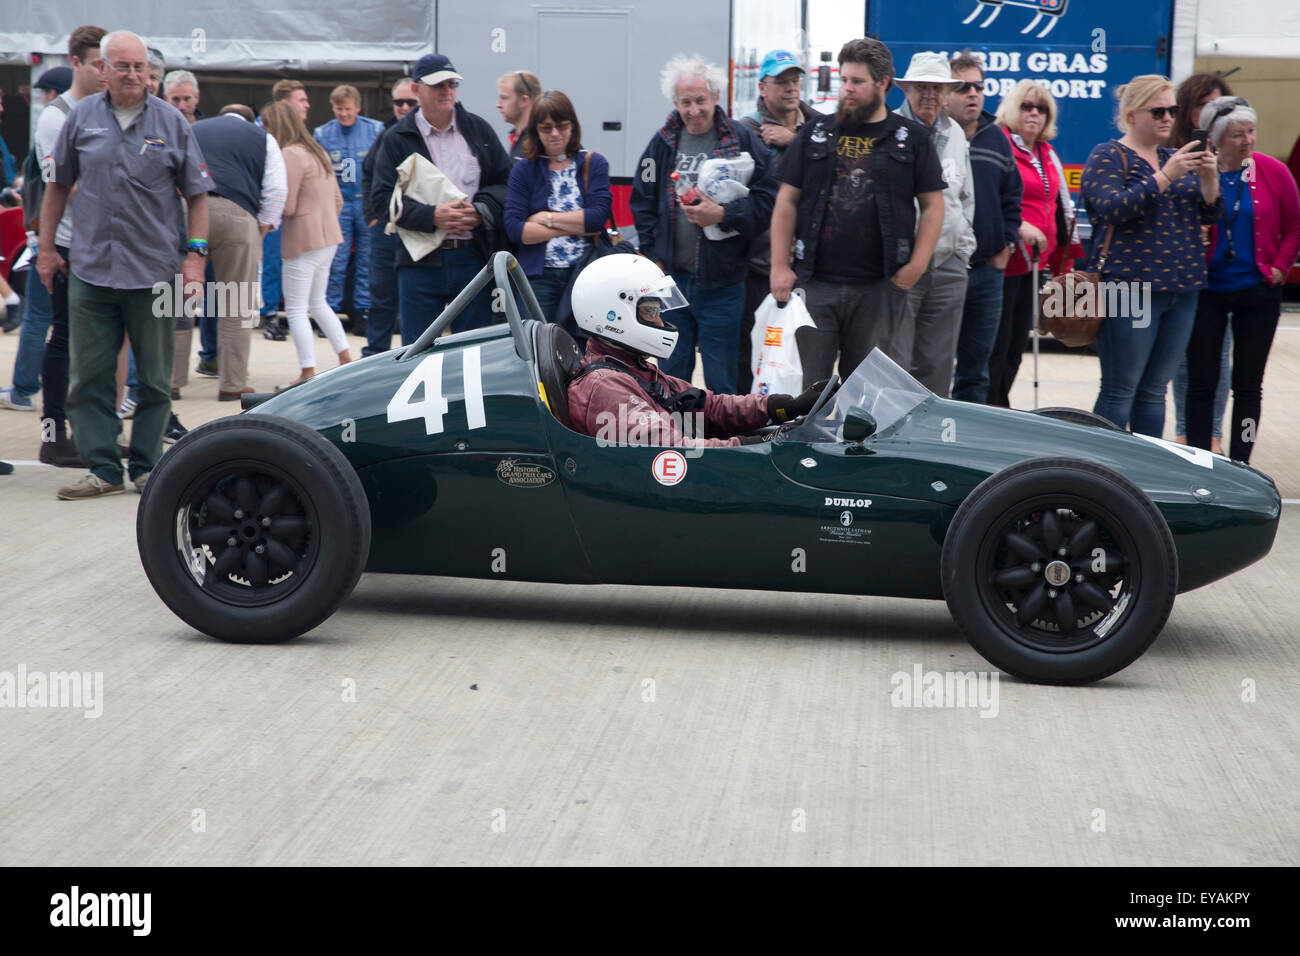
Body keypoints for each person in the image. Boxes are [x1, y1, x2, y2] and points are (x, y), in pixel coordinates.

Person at [39, 29, 211, 500]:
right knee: (88, 377)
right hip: (91, 270)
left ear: (150, 72)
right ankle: (103, 469)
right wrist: (48, 248)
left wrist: (195, 258)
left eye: (142, 67)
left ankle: (146, 467)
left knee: (155, 379)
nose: (134, 74)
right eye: (124, 66)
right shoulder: (82, 120)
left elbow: (197, 197)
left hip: (155, 271)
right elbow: (57, 187)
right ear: (103, 69)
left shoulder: (173, 122)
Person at [770, 37, 945, 390]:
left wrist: (916, 265)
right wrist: (779, 266)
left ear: (883, 84)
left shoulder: (910, 137)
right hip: (815, 284)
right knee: (807, 391)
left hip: (880, 287)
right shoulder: (816, 133)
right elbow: (787, 200)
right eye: (844, 79)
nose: (847, 89)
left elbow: (932, 205)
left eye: (857, 82)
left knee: (868, 395)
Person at [1080, 75, 1221, 436]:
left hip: (1183, 289)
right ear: (1131, 116)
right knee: (1120, 390)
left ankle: (1145, 478)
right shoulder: (1108, 154)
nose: (1168, 118)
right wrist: (1165, 176)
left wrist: (1209, 179)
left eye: (1173, 110)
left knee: (1155, 393)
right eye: (1157, 110)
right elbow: (1111, 208)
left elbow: (1209, 216)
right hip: (1130, 290)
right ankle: (1103, 474)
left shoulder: (1174, 157)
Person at [631, 54, 775, 394]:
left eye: (700, 100)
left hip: (724, 282)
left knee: (721, 378)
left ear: (715, 97)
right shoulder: (662, 142)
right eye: (686, 102)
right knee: (672, 375)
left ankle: (722, 445)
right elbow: (641, 199)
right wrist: (654, 257)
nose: (694, 110)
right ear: (675, 103)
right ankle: (678, 441)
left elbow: (769, 199)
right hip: (671, 283)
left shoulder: (741, 140)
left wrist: (724, 215)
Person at [566, 254, 821, 445]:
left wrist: (782, 407)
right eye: (651, 311)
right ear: (613, 315)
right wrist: (754, 445)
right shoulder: (605, 387)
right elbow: (679, 451)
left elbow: (709, 407)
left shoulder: (633, 369)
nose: (660, 322)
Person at [0, 26, 106, 473]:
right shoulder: (56, 117)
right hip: (67, 244)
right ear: (76, 63)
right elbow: (69, 185)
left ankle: (90, 433)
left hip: (104, 245)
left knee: (96, 343)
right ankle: (52, 434)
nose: (106, 72)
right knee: (60, 336)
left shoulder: (106, 109)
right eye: (98, 63)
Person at [1184, 97, 1300, 462]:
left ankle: (1240, 459)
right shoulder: (1197, 172)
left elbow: (1295, 226)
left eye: (1251, 131)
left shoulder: (1273, 172)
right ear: (1216, 140)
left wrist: (1280, 266)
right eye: (1238, 135)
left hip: (1258, 290)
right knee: (1201, 383)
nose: (1248, 140)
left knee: (1248, 385)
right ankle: (1200, 457)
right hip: (1207, 292)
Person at [369, 53, 511, 344]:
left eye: (452, 84)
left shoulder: (478, 130)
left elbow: (506, 184)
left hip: (472, 257)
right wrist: (432, 216)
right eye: (438, 85)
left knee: (472, 352)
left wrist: (480, 210)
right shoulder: (397, 138)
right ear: (416, 89)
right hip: (419, 264)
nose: (447, 91)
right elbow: (382, 201)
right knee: (417, 352)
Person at [987, 81, 1082, 407]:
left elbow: (1063, 208)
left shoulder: (1047, 152)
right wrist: (1018, 227)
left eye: (1041, 109)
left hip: (1035, 264)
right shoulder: (999, 143)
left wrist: (1064, 264)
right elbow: (989, 199)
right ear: (1013, 108)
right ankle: (990, 405)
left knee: (1016, 344)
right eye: (1027, 106)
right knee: (996, 344)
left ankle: (1001, 403)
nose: (1034, 114)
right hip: (1004, 262)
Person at [186, 107, 287, 400]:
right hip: (239, 215)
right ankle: (231, 386)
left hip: (189, 211)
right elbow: (277, 190)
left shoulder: (192, 129)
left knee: (174, 304)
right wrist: (261, 230)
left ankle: (171, 383)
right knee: (236, 305)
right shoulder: (262, 137)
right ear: (248, 119)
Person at [890, 51, 974, 397]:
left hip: (948, 267)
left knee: (938, 367)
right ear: (906, 89)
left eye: (938, 88)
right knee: (894, 363)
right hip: (901, 266)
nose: (930, 95)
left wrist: (963, 250)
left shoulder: (954, 131)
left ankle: (929, 443)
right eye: (921, 87)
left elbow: (966, 196)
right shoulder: (889, 129)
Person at [737, 49, 816, 393]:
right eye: (781, 81)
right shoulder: (746, 130)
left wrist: (795, 141)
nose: (790, 88)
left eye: (795, 80)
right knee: (754, 354)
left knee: (803, 355)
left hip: (808, 264)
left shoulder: (818, 128)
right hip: (756, 263)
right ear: (763, 87)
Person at [945, 50, 1022, 404]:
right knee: (934, 365)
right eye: (962, 87)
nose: (973, 93)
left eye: (978, 86)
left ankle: (964, 447)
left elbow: (1012, 195)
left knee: (977, 371)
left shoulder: (996, 138)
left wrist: (1006, 244)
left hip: (987, 272)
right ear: (945, 92)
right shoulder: (934, 137)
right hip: (943, 269)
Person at [261, 101, 352, 387]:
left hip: (302, 240)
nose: (265, 131)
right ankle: (346, 358)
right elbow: (338, 200)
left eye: (267, 126)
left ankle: (307, 371)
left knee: (298, 309)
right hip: (329, 238)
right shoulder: (318, 151)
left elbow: (286, 205)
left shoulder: (290, 153)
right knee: (319, 303)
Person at [503, 91, 612, 323]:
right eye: (546, 128)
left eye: (561, 126)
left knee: (584, 351)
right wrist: (577, 223)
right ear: (535, 131)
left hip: (586, 275)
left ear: (572, 126)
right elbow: (515, 230)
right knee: (537, 351)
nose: (554, 134)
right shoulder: (523, 169)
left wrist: (545, 218)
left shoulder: (594, 163)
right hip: (538, 278)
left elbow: (596, 219)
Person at [1170, 72, 1236, 449]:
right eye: (1204, 105)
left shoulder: (1239, 155)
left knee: (1220, 358)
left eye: (1221, 106)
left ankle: (1212, 436)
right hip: (1184, 270)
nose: (1213, 113)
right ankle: (1184, 431)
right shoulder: (1176, 152)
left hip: (1226, 273)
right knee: (1182, 358)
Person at [314, 85, 383, 329]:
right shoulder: (322, 133)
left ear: (358, 107)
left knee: (367, 259)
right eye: (339, 109)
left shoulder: (374, 130)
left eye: (348, 109)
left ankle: (363, 311)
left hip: (365, 203)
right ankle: (329, 312)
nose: (344, 114)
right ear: (333, 108)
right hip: (339, 204)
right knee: (336, 260)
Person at [359, 77, 417, 355]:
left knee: (413, 301)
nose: (404, 107)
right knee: (381, 296)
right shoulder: (386, 134)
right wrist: (372, 217)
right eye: (398, 102)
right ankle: (374, 357)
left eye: (410, 102)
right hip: (385, 229)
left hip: (419, 230)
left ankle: (413, 357)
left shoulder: (425, 135)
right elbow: (367, 173)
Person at [260, 80, 312, 338]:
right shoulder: (264, 130)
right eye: (301, 100)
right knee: (271, 261)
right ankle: (269, 315)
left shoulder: (298, 135)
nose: (307, 105)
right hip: (272, 208)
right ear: (285, 104)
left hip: (292, 211)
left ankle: (282, 311)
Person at [497, 70, 541, 161]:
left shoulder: (538, 141)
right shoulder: (518, 138)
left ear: (524, 101)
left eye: (504, 98)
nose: (498, 105)